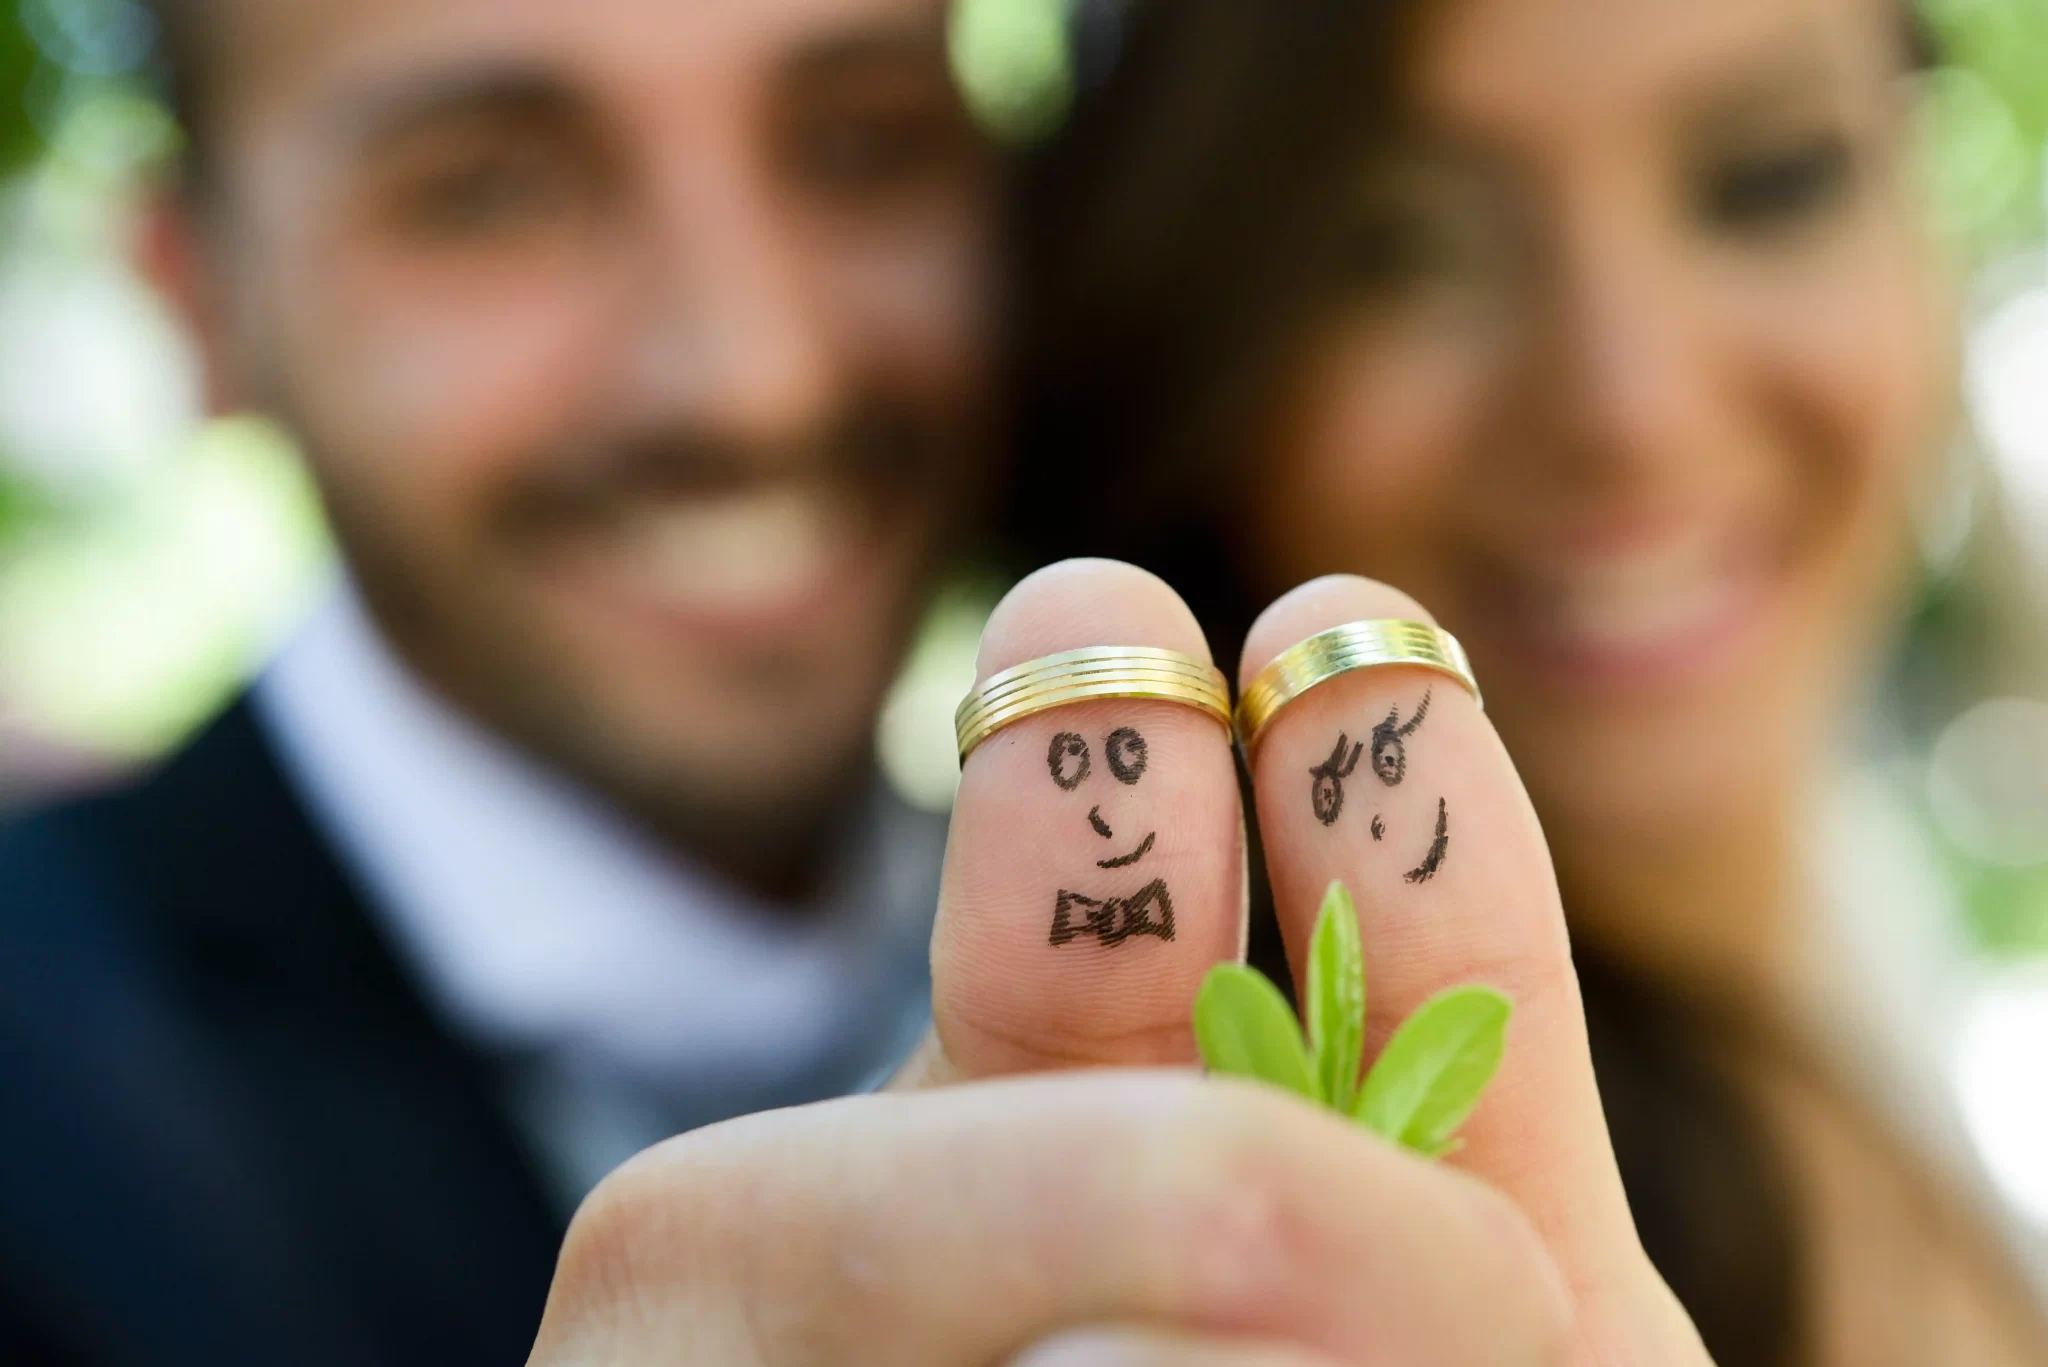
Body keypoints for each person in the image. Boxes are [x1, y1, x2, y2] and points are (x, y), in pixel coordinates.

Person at [1005, 0, 2048, 1361]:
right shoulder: (1310, 1243)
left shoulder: (1873, 919)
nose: (1630, 405)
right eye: (1403, 245)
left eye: (1766, 178)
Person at [0, 0, 998, 1361]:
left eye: (862, 147)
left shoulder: (1264, 950)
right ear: (199, 296)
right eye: (489, 192)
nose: (760, 379)